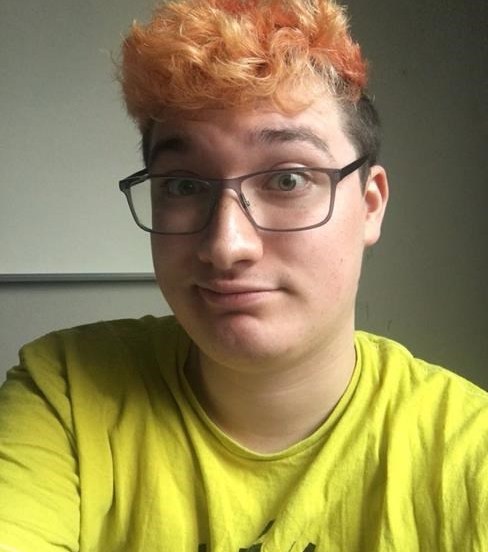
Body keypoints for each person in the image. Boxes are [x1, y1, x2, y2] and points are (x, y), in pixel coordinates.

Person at [0, 0, 486, 550]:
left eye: (288, 180)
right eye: (183, 185)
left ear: (370, 205)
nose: (226, 246)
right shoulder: (65, 392)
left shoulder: (469, 452)